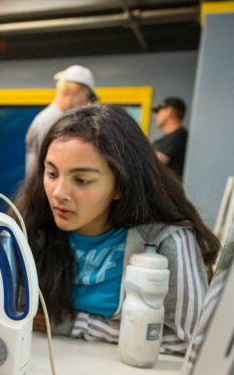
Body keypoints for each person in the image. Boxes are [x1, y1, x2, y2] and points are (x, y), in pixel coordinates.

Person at [15, 104, 219, 354]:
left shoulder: (166, 241)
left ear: (121, 185)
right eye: (52, 173)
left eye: (82, 180)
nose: (58, 193)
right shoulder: (32, 226)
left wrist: (76, 325)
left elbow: (192, 340)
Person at [25, 64, 98, 173]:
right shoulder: (52, 121)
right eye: (88, 97)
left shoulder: (47, 118)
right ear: (77, 89)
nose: (87, 103)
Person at [152, 96, 189, 179]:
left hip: (169, 190)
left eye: (158, 111)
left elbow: (153, 163)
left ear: (169, 111)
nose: (156, 116)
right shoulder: (161, 140)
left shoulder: (180, 135)